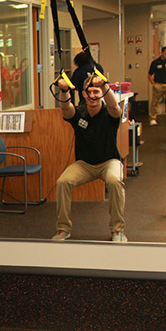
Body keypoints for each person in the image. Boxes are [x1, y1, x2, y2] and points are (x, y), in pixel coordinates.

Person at [52, 74, 126, 242]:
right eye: (89, 92)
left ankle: (117, 230)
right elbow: (66, 109)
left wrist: (105, 86)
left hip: (109, 161)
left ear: (101, 93)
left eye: (96, 91)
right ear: (84, 94)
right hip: (84, 164)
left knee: (115, 181)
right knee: (63, 182)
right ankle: (63, 229)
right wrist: (63, 90)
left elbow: (115, 106)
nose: (92, 96)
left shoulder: (110, 113)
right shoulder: (79, 113)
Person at [147, 46, 166, 126]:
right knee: (155, 102)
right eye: (165, 53)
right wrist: (153, 84)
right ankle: (153, 118)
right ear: (161, 53)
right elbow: (150, 74)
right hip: (158, 84)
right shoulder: (155, 62)